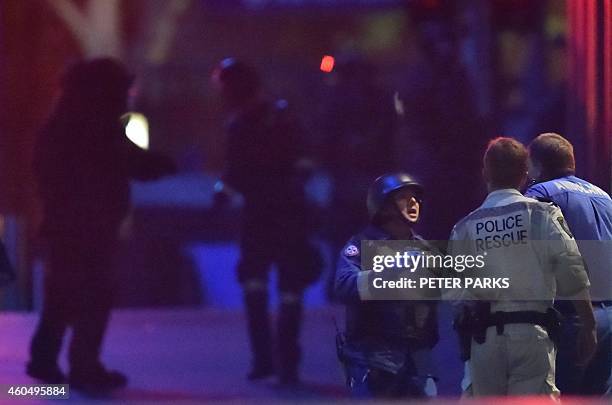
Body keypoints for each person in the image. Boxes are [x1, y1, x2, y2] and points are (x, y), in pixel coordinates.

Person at [28, 58, 175, 391]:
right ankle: (84, 367)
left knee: (61, 294)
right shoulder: (100, 125)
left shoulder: (59, 125)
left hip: (64, 225)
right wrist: (162, 164)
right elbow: (129, 161)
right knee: (95, 294)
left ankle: (44, 358)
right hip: (92, 227)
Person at [449, 137, 597, 397]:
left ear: (485, 173)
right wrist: (588, 325)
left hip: (485, 341)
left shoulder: (464, 228)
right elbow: (572, 270)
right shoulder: (543, 215)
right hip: (533, 336)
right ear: (524, 175)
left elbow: (455, 295)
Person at [212, 58, 322, 385]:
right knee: (290, 288)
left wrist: (220, 197)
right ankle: (287, 364)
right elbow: (305, 164)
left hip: (258, 216)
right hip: (290, 214)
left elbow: (234, 175)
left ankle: (263, 360)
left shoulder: (239, 125)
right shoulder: (285, 117)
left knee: (254, 284)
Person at [334, 173, 439, 398]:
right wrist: (392, 270)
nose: (413, 203)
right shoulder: (361, 245)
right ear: (383, 206)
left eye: (416, 198)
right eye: (404, 197)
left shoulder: (426, 249)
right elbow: (344, 285)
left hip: (419, 363)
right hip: (374, 362)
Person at [525, 132, 612, 395]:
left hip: (574, 316)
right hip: (610, 315)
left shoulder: (540, 193)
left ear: (537, 164)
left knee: (561, 393)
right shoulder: (605, 197)